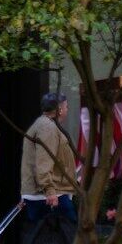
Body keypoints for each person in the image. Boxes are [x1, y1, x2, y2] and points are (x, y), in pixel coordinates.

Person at [21, 93, 78, 227]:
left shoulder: (42, 124)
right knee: (70, 237)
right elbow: (43, 162)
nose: (67, 110)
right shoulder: (48, 128)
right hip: (50, 196)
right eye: (66, 107)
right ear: (59, 110)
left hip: (44, 194)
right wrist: (50, 191)